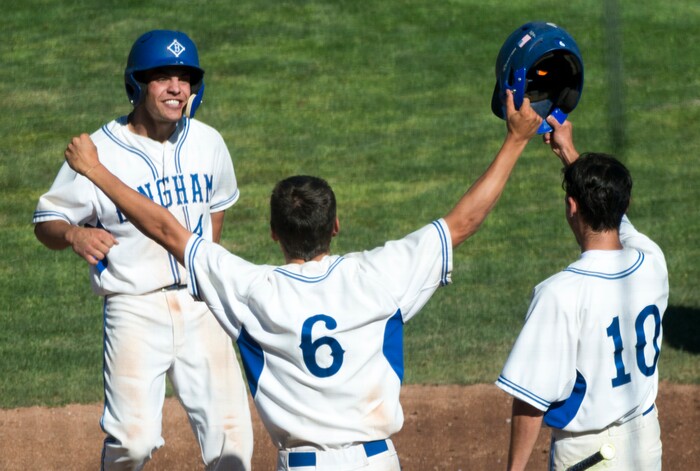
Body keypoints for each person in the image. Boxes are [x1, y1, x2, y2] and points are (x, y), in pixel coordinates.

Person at [63, 90, 541, 471]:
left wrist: (95, 170)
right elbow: (462, 223)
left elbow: (168, 230)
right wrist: (516, 139)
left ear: (274, 233)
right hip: (379, 462)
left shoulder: (253, 291)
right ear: (335, 226)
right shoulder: (377, 276)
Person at [32, 30, 253, 470]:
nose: (176, 88)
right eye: (162, 77)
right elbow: (46, 221)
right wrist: (74, 236)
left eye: (185, 78)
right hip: (134, 306)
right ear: (137, 84)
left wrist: (205, 278)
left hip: (200, 305)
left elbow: (216, 213)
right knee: (131, 443)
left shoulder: (208, 142)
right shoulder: (99, 150)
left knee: (233, 448)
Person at [496, 117, 669, 470]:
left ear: (571, 207)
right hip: (646, 445)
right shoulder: (651, 262)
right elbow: (616, 217)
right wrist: (567, 152)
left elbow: (531, 400)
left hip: (590, 456)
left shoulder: (559, 294)